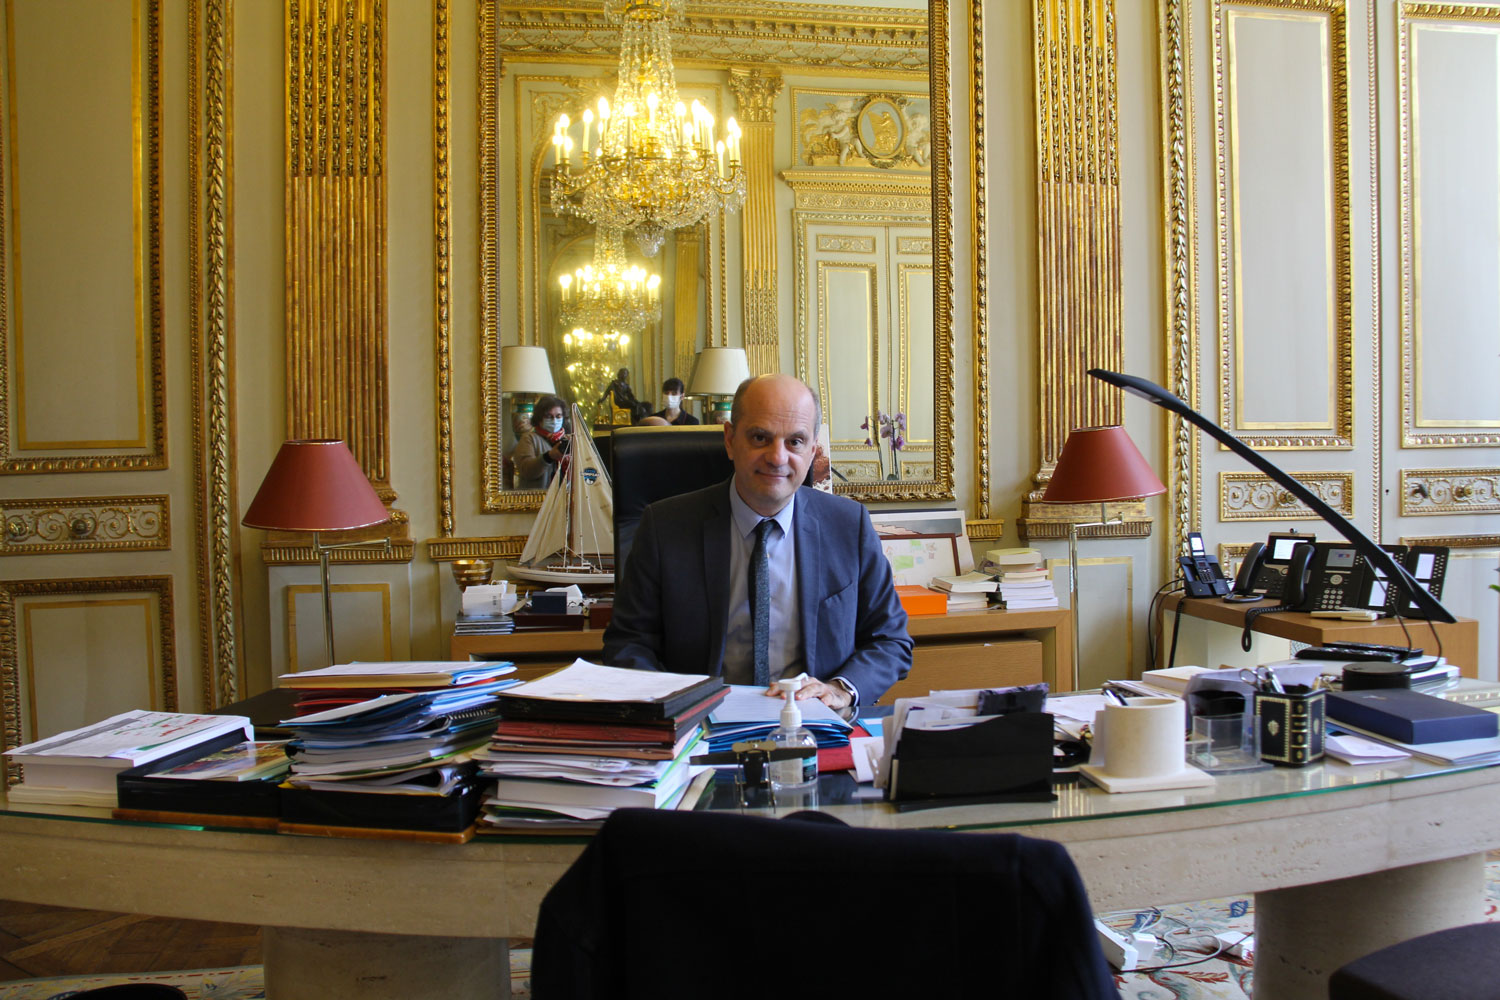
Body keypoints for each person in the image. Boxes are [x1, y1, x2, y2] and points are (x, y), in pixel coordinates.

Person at [602, 373, 911, 713]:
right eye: (761, 437)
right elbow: (629, 643)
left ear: (812, 451)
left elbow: (890, 639)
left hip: (813, 725)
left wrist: (839, 689)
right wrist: (673, 707)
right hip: (699, 728)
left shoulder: (848, 526)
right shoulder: (666, 527)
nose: (777, 457)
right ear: (730, 440)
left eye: (795, 441)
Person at [512, 394, 569, 490]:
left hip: (564, 499)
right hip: (537, 499)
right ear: (539, 419)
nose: (554, 420)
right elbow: (526, 471)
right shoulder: (529, 439)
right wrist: (549, 457)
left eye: (558, 416)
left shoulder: (568, 439)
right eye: (549, 416)